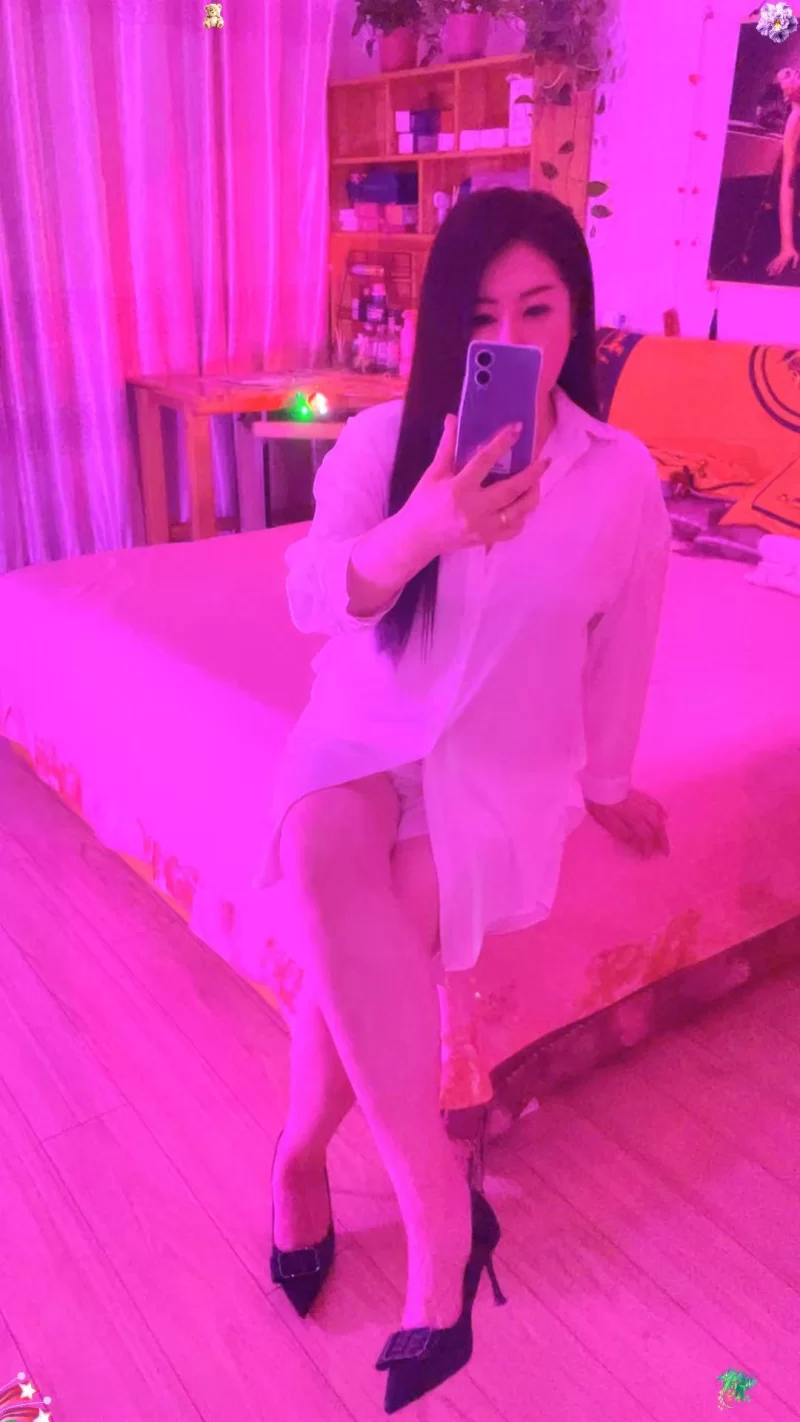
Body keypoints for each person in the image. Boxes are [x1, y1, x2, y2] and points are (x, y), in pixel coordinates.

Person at [258, 187, 671, 1413]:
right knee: (324, 863)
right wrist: (419, 530)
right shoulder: (386, 442)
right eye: (482, 314)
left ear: (574, 317)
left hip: (499, 769)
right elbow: (312, 597)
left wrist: (605, 784)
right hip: (361, 732)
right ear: (449, 323)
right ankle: (440, 1213)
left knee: (373, 922)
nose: (512, 337)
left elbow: (624, 645)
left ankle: (298, 1158)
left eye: (536, 309)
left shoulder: (619, 478)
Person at [766, 66, 800, 277]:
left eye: (792, 70)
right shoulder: (796, 120)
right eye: (786, 75)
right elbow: (788, 183)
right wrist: (787, 246)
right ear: (785, 96)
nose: (794, 72)